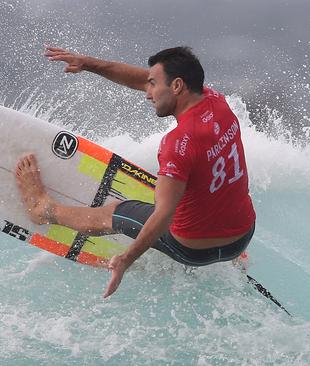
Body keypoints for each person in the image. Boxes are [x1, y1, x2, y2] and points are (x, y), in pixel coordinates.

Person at [15, 46, 256, 298]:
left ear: (176, 86)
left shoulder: (177, 144)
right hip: (241, 239)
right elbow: (141, 79)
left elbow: (164, 215)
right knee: (198, 181)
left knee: (120, 210)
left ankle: (43, 210)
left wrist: (126, 260)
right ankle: (232, 257)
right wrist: (88, 63)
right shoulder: (217, 102)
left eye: (153, 85)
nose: (147, 93)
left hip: (193, 251)